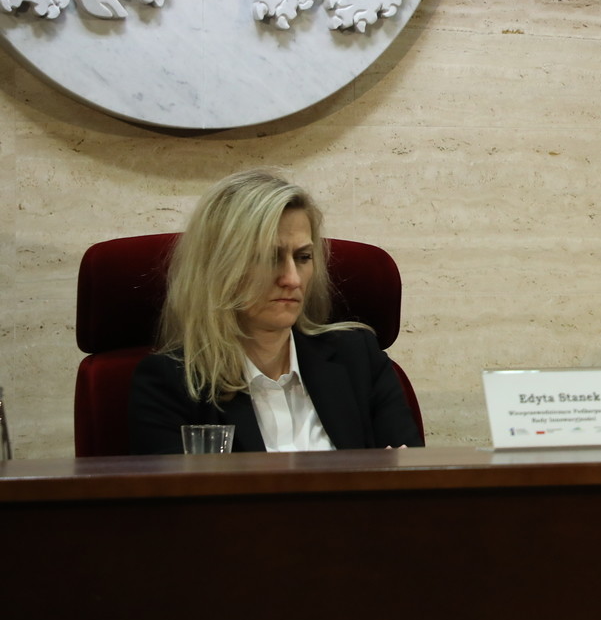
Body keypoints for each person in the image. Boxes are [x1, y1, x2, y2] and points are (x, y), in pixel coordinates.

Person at [129, 168, 423, 453]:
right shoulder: (169, 384)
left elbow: (411, 476)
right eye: (270, 257)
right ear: (218, 266)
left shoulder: (358, 359)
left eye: (303, 257)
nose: (292, 279)